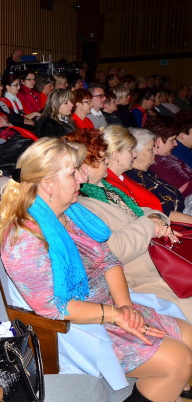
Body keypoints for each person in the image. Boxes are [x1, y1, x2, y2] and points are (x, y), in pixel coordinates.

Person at [0, 137, 192, 402]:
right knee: (179, 361)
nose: (81, 179)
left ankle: (164, 390)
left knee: (189, 339)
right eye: (72, 173)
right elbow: (55, 309)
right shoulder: (24, 238)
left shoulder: (72, 214)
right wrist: (117, 315)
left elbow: (109, 260)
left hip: (110, 307)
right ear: (48, 184)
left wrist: (126, 307)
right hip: (75, 328)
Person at [64, 128, 192, 320]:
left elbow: (144, 210)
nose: (107, 161)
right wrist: (150, 225)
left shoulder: (105, 188)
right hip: (141, 278)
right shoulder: (80, 204)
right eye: (102, 158)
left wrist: (155, 218)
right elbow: (112, 251)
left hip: (159, 263)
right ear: (85, 167)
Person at [126, 127, 192, 220]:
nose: (155, 152)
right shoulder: (134, 178)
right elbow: (163, 212)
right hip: (179, 223)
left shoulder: (147, 172)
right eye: (150, 149)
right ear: (135, 153)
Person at [100, 125, 163, 212]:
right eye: (130, 150)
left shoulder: (121, 177)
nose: (135, 155)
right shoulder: (109, 186)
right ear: (116, 155)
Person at [145, 115, 192, 199]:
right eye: (172, 140)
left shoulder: (166, 156)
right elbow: (186, 192)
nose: (175, 144)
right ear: (159, 141)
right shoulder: (158, 164)